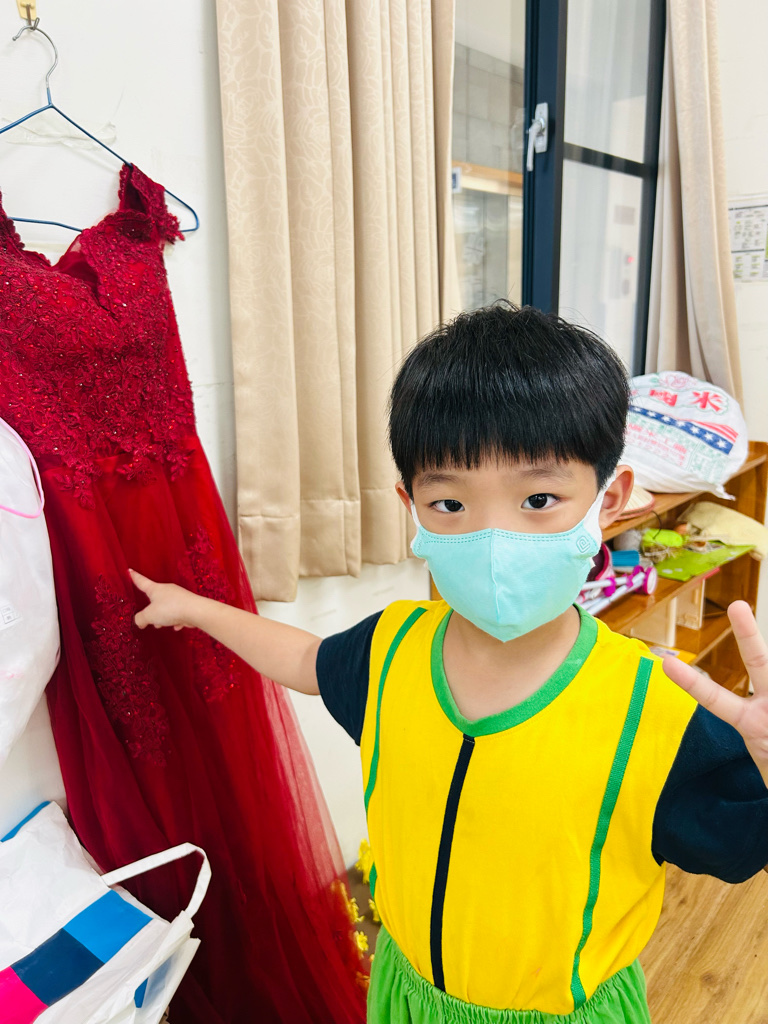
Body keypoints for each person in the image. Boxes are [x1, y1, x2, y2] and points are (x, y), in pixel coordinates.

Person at [129, 302, 768, 1024]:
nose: (494, 537)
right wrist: (198, 610)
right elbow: (307, 659)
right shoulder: (392, 647)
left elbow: (742, 848)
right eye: (450, 504)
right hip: (404, 995)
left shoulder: (657, 712)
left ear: (609, 500)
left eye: (539, 498)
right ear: (412, 505)